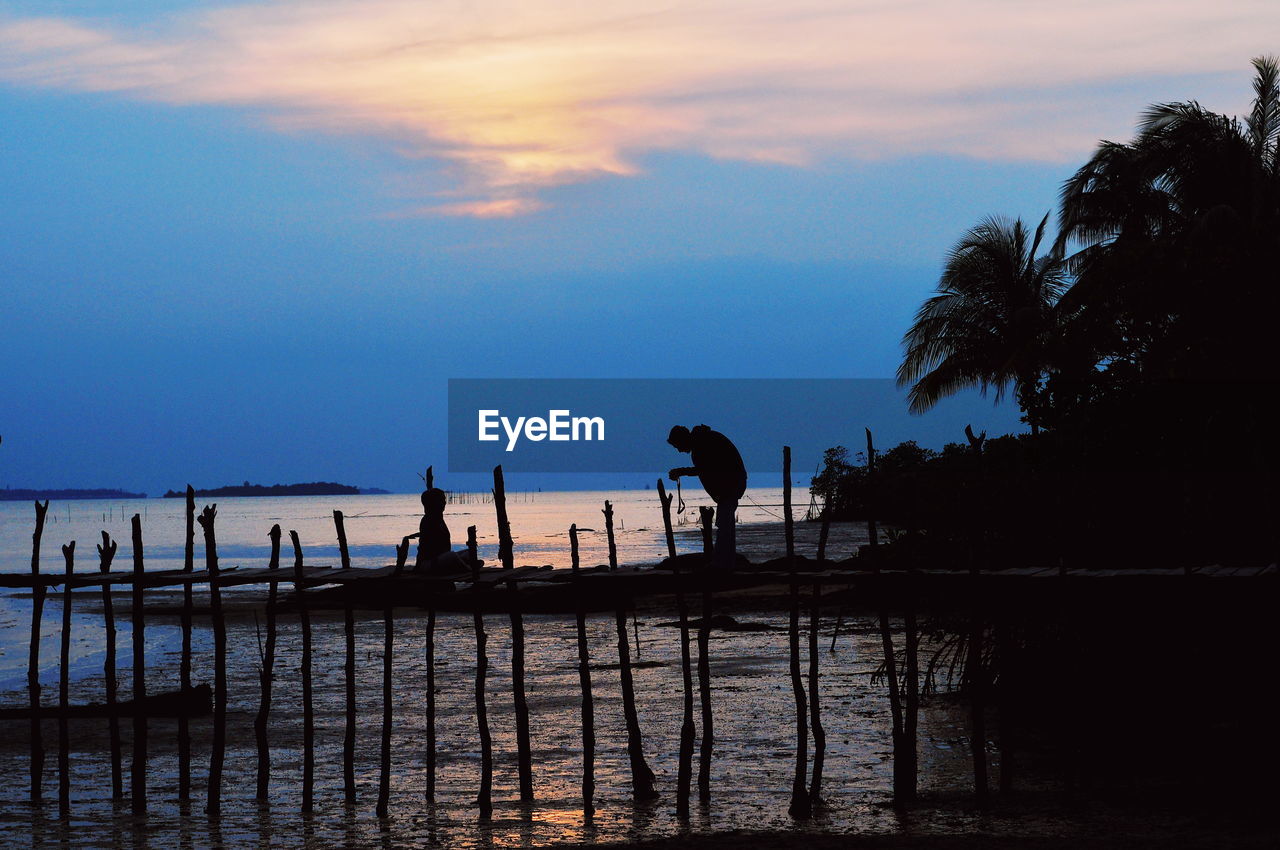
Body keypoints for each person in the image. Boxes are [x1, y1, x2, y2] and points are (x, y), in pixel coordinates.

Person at [667, 424, 747, 570]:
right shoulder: (703, 441)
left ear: (683, 439)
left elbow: (705, 468)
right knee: (725, 524)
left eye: (678, 446)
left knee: (725, 525)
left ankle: (723, 564)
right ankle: (725, 561)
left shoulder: (702, 444)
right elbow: (706, 468)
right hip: (731, 484)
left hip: (730, 484)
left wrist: (681, 471)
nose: (679, 450)